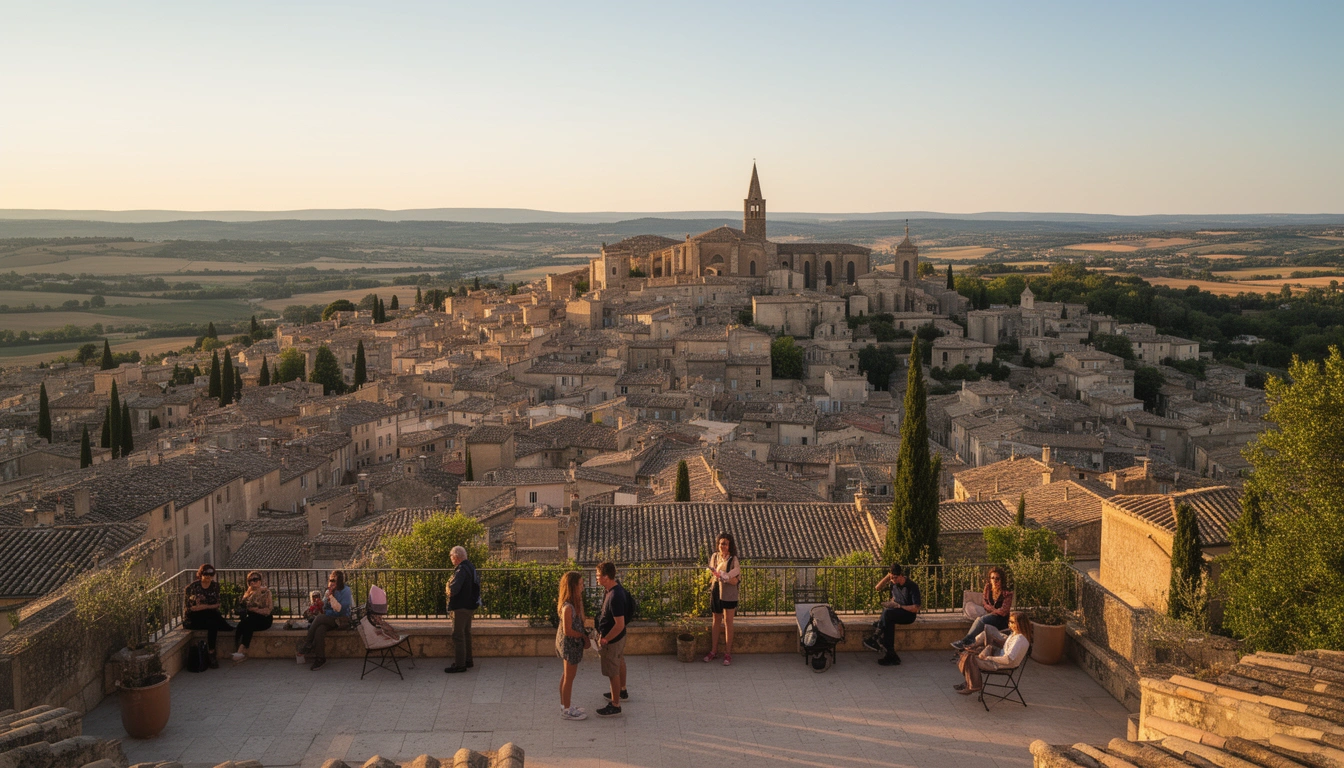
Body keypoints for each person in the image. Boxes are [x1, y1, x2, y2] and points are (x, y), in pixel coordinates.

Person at [956, 611, 1032, 694]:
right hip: (999, 655)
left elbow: (1007, 659)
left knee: (968, 658)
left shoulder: (1019, 640)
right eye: (1009, 621)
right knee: (969, 654)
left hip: (1001, 664)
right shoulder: (1016, 634)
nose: (1009, 623)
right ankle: (969, 682)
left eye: (1012, 622)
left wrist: (988, 658)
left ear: (1020, 624)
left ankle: (973, 686)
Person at [861, 563, 921, 666]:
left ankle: (876, 637)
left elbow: (915, 608)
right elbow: (877, 587)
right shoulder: (893, 583)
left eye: (896, 578)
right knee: (887, 621)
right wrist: (889, 577)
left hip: (908, 615)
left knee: (886, 615)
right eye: (892, 577)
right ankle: (891, 655)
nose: (894, 580)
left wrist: (899, 607)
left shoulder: (912, 586)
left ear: (901, 575)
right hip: (896, 613)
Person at [595, 561, 632, 717]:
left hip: (613, 639)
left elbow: (619, 624)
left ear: (605, 576)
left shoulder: (615, 596)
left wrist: (605, 639)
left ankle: (615, 704)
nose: (596, 578)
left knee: (612, 671)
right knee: (619, 661)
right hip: (619, 638)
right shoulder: (614, 590)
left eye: (597, 575)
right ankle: (621, 691)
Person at [297, 570, 352, 671]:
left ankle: (307, 644)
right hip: (329, 619)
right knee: (320, 630)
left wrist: (331, 596)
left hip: (341, 620)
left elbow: (340, 610)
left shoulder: (346, 591)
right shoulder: (328, 591)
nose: (330, 582)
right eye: (330, 580)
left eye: (333, 580)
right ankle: (320, 658)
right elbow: (325, 607)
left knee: (320, 618)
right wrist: (320, 604)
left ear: (339, 581)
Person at [183, 563, 234, 669]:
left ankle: (212, 652)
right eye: (206, 574)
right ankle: (212, 654)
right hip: (193, 618)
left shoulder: (215, 586)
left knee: (212, 621)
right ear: (201, 574)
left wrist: (203, 606)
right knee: (213, 617)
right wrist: (208, 606)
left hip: (208, 615)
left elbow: (217, 604)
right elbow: (192, 608)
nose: (209, 577)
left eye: (211, 574)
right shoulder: (192, 588)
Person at [952, 566, 1014, 650]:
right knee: (980, 620)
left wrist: (993, 611)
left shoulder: (1007, 593)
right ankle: (968, 644)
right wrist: (994, 610)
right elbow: (984, 603)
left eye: (997, 578)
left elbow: (1003, 611)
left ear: (1002, 579)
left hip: (1002, 620)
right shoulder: (988, 588)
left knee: (981, 620)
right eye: (992, 578)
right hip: (991, 616)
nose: (995, 581)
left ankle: (965, 642)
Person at [703, 532, 740, 666]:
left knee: (728, 621)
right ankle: (713, 650)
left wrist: (726, 577)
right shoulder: (715, 557)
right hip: (716, 589)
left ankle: (728, 653)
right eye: (720, 543)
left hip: (729, 592)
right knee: (716, 619)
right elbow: (711, 571)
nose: (722, 546)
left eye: (724, 543)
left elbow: (736, 576)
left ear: (730, 545)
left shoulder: (733, 559)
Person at [555, 570, 588, 721]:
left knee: (566, 675)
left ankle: (564, 706)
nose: (583, 587)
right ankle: (566, 710)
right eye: (580, 584)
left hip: (572, 645)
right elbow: (568, 631)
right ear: (572, 586)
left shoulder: (575, 604)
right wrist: (582, 636)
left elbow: (583, 619)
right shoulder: (568, 607)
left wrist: (580, 602)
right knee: (569, 677)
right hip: (570, 645)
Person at [444, 545, 478, 674]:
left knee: (458, 635)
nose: (451, 560)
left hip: (460, 607)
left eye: (451, 557)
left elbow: (453, 590)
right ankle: (468, 660)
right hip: (470, 605)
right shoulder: (471, 566)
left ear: (456, 557)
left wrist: (447, 587)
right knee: (466, 633)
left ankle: (460, 665)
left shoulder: (461, 570)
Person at [231, 571, 273, 662]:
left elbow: (268, 610)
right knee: (243, 625)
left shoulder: (266, 592)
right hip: (252, 619)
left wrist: (255, 610)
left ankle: (241, 650)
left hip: (264, 619)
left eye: (255, 579)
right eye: (250, 580)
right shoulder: (248, 594)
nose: (253, 582)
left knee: (248, 623)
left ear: (260, 581)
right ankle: (242, 650)